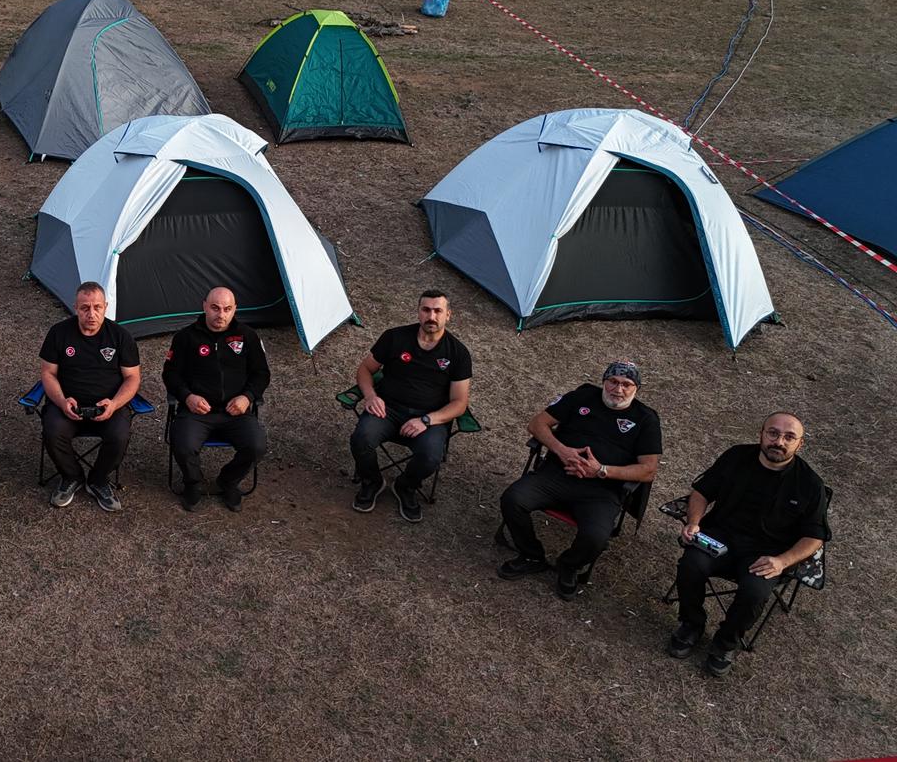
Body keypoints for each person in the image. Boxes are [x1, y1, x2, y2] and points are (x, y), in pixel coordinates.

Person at [667, 413, 830, 677]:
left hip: (767, 554)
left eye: (789, 437)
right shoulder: (736, 457)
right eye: (773, 433)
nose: (779, 441)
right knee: (691, 564)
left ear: (800, 444)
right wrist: (694, 522)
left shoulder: (810, 484)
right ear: (761, 434)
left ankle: (725, 642)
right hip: (720, 537)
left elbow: (815, 536)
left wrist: (782, 561)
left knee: (755, 591)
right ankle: (691, 624)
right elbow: (701, 492)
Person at [497, 361, 662, 600]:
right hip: (557, 475)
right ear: (604, 381)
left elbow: (648, 470)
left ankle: (569, 566)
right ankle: (531, 555)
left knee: (596, 537)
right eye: (613, 382)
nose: (618, 389)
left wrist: (601, 470)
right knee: (513, 499)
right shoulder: (582, 397)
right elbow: (537, 424)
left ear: (637, 389)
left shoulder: (645, 419)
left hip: (601, 490)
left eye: (627, 385)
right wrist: (561, 450)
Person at [349, 290, 472, 523]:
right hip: (387, 410)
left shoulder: (458, 353)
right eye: (426, 310)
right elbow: (365, 370)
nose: (431, 316)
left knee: (431, 455)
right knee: (361, 438)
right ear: (418, 311)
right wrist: (370, 396)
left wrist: (427, 420)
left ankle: (406, 486)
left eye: (438, 311)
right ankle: (372, 481)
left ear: (448, 315)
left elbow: (460, 403)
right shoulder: (395, 338)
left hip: (429, 419)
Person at [163, 287, 270, 512]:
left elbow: (261, 374)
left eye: (227, 309)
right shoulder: (185, 337)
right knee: (182, 444)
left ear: (234, 310)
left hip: (235, 412)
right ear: (204, 306)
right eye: (215, 308)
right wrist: (187, 397)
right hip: (196, 412)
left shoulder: (247, 336)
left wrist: (247, 397)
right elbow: (170, 374)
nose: (220, 314)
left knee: (257, 446)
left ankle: (228, 481)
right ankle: (193, 482)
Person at [38, 282, 142, 513]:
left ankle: (98, 480)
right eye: (85, 308)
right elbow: (48, 373)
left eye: (97, 307)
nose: (91, 314)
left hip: (108, 406)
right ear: (75, 307)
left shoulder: (120, 336)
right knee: (53, 430)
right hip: (67, 404)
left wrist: (114, 404)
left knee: (119, 435)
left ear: (106, 306)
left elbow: (132, 378)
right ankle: (71, 476)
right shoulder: (59, 333)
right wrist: (61, 400)